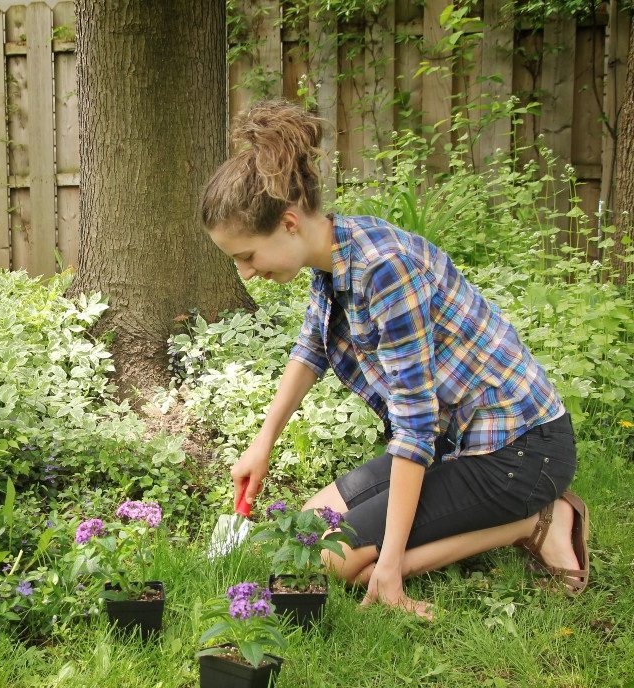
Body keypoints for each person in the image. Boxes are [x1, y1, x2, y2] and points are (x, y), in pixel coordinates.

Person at [200, 100, 590, 618]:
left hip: (519, 453)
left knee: (334, 563)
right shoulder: (335, 253)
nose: (246, 274)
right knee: (306, 530)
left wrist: (390, 564)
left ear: (289, 222)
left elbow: (415, 425)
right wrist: (262, 444)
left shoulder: (385, 269)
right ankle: (435, 538)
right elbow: (312, 348)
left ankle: (539, 519)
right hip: (457, 444)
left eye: (246, 256)